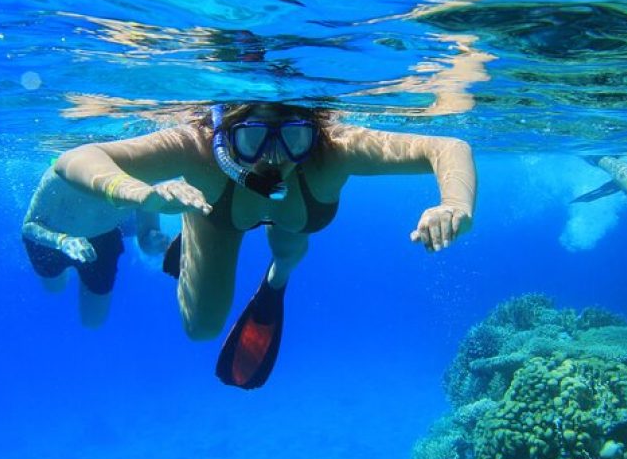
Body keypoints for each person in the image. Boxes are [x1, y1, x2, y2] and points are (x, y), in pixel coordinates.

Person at [55, 102, 477, 388]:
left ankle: (278, 278)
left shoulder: (333, 150)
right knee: (201, 328)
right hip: (215, 211)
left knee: (289, 249)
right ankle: (193, 214)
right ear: (223, 136)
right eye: (252, 139)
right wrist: (133, 192)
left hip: (296, 218)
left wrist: (454, 203)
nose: (274, 159)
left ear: (312, 133)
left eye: (293, 139)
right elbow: (74, 159)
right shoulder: (197, 147)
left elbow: (447, 147)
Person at [22, 167, 171, 327]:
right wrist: (62, 241)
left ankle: (81, 270)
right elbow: (29, 226)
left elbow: (146, 241)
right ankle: (69, 271)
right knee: (54, 288)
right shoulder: (60, 174)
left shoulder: (144, 179)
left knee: (93, 322)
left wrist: (153, 244)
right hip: (51, 241)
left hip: (103, 241)